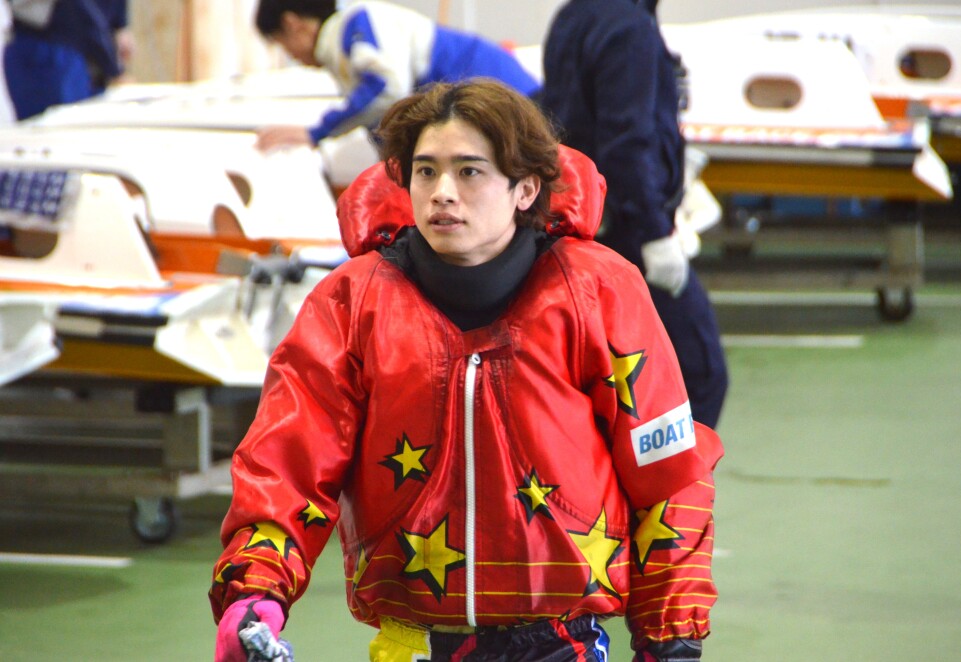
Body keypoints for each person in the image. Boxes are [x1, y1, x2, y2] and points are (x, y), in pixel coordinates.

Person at [210, 78, 723, 661]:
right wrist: (253, 594)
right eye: (425, 171)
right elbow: (288, 461)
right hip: (412, 643)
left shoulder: (597, 290)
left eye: (470, 171)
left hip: (562, 642)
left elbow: (667, 472)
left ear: (525, 188)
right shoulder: (352, 301)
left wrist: (670, 639)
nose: (442, 193)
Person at [540, 0, 728, 429]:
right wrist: (654, 233)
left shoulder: (573, 15)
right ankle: (672, 474)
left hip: (576, 226)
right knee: (700, 371)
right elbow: (626, 143)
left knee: (599, 379)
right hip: (627, 233)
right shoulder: (629, 29)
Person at [252, 0, 540, 152]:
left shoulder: (358, 24)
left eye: (281, 43)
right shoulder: (349, 38)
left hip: (501, 92)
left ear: (293, 24)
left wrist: (316, 132)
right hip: (490, 94)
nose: (291, 55)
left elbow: (386, 87)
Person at [3, 0, 131, 120]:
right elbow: (81, 12)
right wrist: (113, 68)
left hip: (66, 49)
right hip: (44, 45)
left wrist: (120, 24)